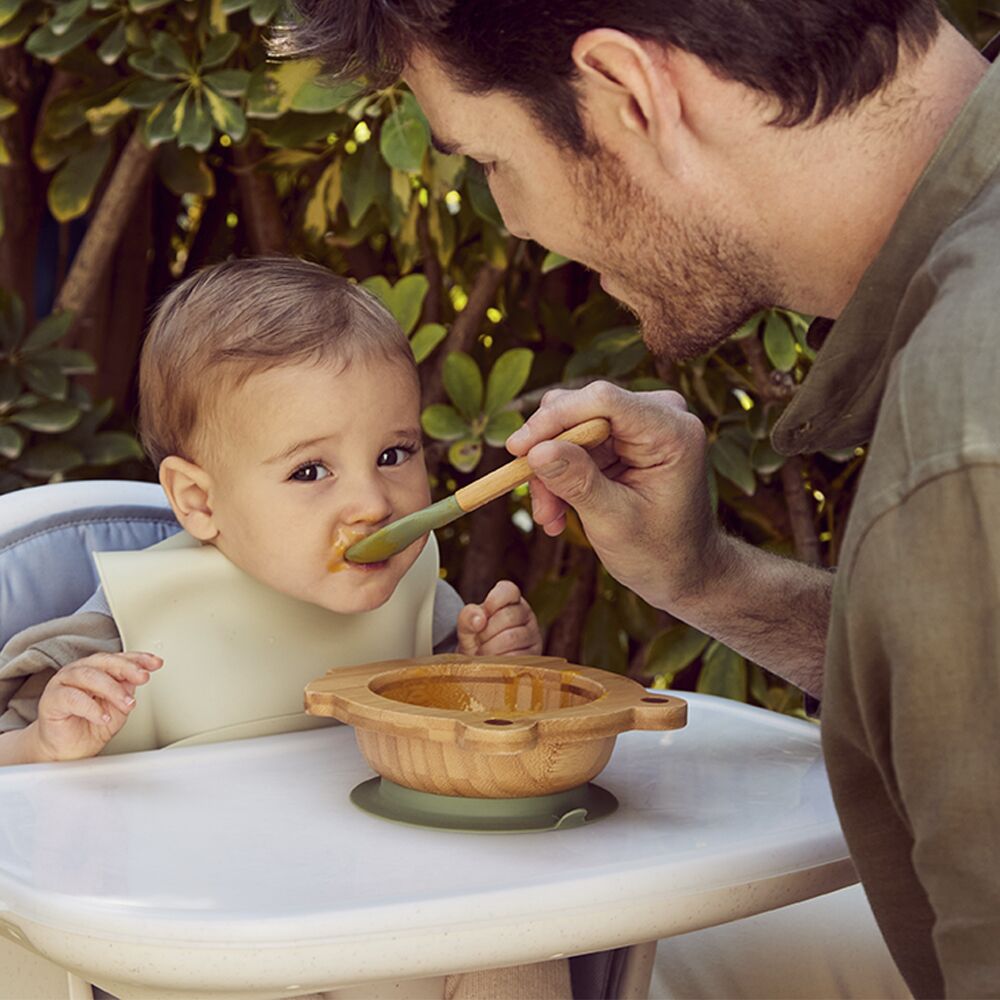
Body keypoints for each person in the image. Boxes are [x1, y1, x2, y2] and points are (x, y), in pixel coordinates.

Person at [277, 1, 1000, 997]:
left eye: (487, 160)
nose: (515, 223)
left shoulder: (964, 433)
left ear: (629, 92)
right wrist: (706, 579)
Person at [0, 257, 542, 767]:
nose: (374, 503)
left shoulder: (426, 606)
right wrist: (41, 744)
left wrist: (488, 670)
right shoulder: (124, 625)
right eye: (310, 471)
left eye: (392, 455)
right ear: (199, 501)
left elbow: (470, 736)